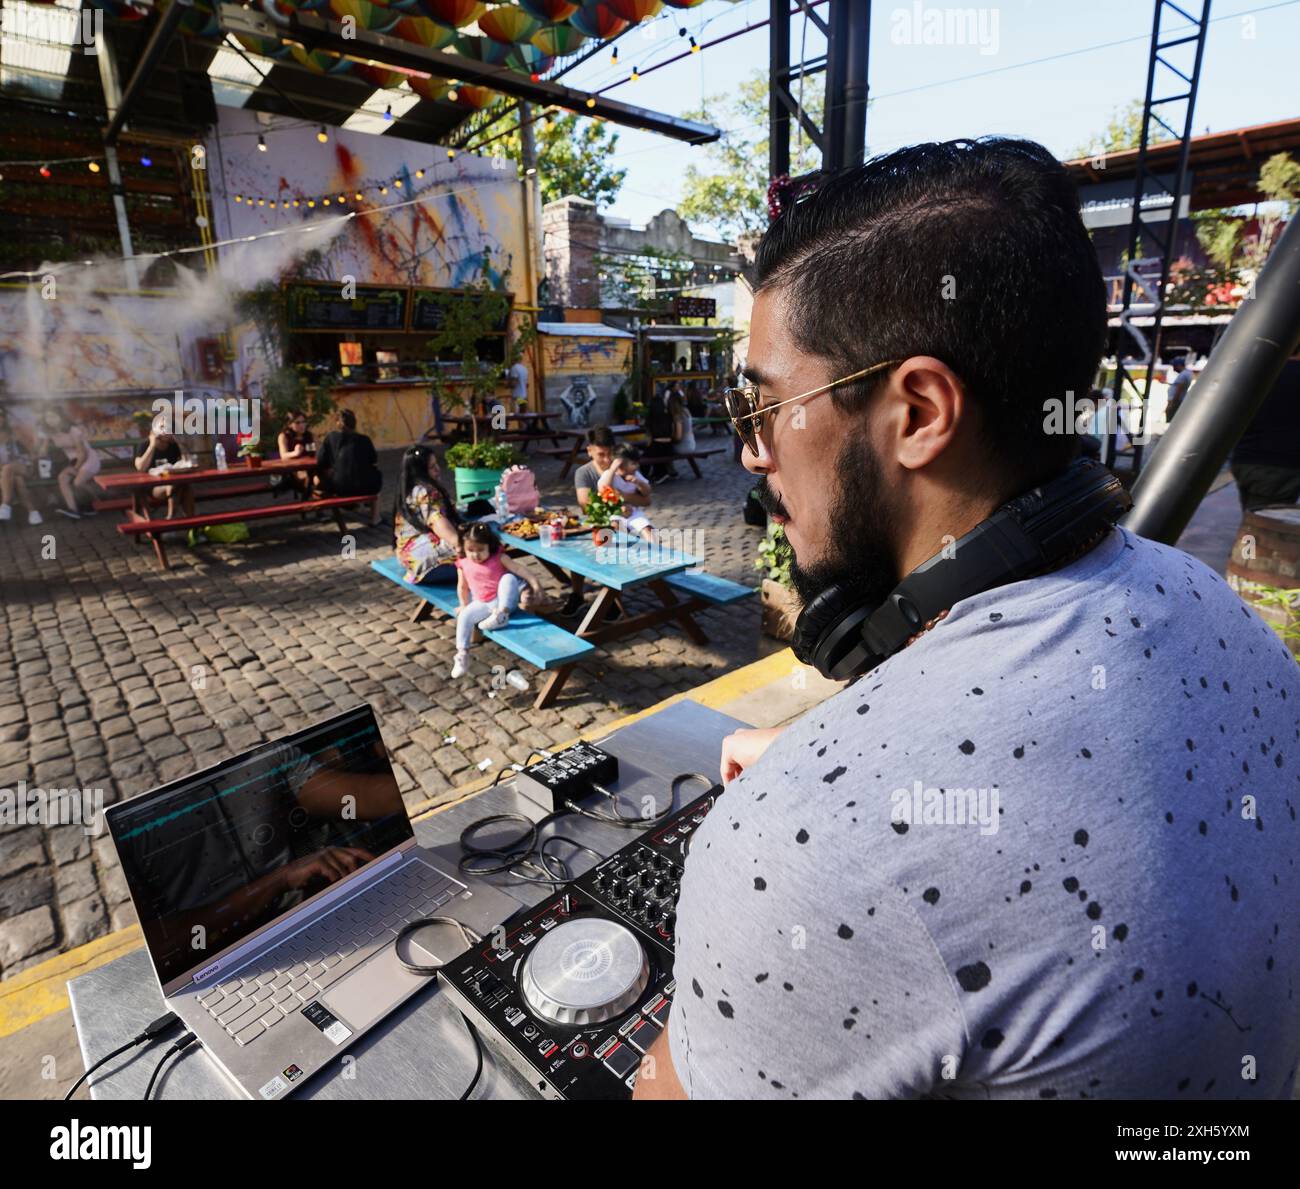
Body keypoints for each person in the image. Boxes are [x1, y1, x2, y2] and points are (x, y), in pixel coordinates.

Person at [634, 138, 1300, 1101]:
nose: (752, 454)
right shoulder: (1221, 615)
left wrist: (828, 814)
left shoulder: (806, 852)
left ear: (918, 412)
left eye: (767, 405)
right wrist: (855, 762)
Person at [451, 522, 545, 679]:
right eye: (470, 550)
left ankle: (502, 616)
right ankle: (462, 654)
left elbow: (519, 570)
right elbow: (462, 586)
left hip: (505, 600)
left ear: (489, 546)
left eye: (481, 550)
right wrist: (463, 604)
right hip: (482, 603)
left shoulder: (500, 558)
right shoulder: (463, 564)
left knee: (508, 578)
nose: (475, 555)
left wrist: (535, 584)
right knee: (464, 616)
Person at [1229, 353, 1300, 513]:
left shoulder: (1258, 371)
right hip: (1280, 467)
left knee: (1251, 520)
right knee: (1261, 529)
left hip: (1245, 460)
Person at [393, 443, 460, 584]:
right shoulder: (426, 491)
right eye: (432, 467)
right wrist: (460, 544)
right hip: (428, 566)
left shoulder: (409, 490)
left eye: (437, 464)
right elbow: (437, 521)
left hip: (407, 558)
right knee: (483, 554)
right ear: (420, 471)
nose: (438, 469)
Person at [316, 409, 383, 526]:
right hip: (366, 486)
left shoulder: (331, 438)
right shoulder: (365, 440)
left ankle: (321, 513)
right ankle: (375, 518)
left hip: (339, 487)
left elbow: (321, 462)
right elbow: (374, 461)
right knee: (376, 480)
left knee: (318, 481)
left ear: (337, 422)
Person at [37, 407, 100, 520]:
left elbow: (83, 453)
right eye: (47, 417)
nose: (50, 419)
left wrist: (75, 468)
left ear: (61, 417)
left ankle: (96, 499)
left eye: (53, 416)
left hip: (88, 459)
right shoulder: (51, 432)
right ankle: (73, 510)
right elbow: (44, 448)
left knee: (78, 482)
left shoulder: (73, 430)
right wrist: (43, 447)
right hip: (74, 461)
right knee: (62, 478)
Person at [133, 414, 195, 520]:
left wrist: (180, 442)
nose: (165, 431)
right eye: (162, 427)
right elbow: (140, 468)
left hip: (174, 484)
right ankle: (171, 520)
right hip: (152, 487)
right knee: (176, 486)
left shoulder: (173, 446)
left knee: (185, 487)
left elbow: (186, 462)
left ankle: (191, 524)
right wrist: (152, 445)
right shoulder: (144, 445)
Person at [595, 444, 654, 541]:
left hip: (634, 512)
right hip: (615, 512)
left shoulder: (636, 475)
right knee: (616, 528)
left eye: (637, 463)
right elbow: (603, 489)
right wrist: (612, 469)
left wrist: (639, 483)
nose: (637, 466)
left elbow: (647, 492)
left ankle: (655, 550)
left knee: (649, 530)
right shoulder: (610, 475)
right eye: (633, 463)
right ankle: (622, 550)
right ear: (620, 465)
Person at [0, 406, 41, 525]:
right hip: (5, 472)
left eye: (0, 417)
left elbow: (31, 447)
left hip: (23, 466)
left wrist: (34, 453)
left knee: (8, 468)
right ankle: (33, 512)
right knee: (18, 480)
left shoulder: (13, 432)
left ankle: (6, 504)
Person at [277, 409, 315, 497]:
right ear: (290, 424)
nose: (302, 425)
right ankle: (308, 503)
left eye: (303, 422)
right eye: (297, 423)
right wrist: (295, 453)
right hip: (294, 471)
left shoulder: (309, 435)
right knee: (311, 477)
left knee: (324, 476)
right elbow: (283, 456)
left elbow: (318, 450)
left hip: (311, 467)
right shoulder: (284, 436)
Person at [644, 384, 678, 483]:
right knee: (653, 452)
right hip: (669, 447)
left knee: (645, 456)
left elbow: (649, 440)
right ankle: (659, 472)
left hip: (657, 446)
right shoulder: (668, 415)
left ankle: (650, 475)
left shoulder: (650, 419)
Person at [1164, 355, 1193, 424]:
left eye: (1174, 365)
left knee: (1170, 416)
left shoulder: (1184, 375)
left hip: (1176, 400)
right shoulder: (1187, 373)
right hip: (1178, 399)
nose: (1173, 367)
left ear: (1179, 365)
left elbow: (1179, 388)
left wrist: (1174, 401)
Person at [670, 389, 697, 456]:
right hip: (692, 444)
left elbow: (678, 437)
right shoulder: (686, 411)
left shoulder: (678, 415)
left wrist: (670, 437)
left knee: (664, 449)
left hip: (683, 447)